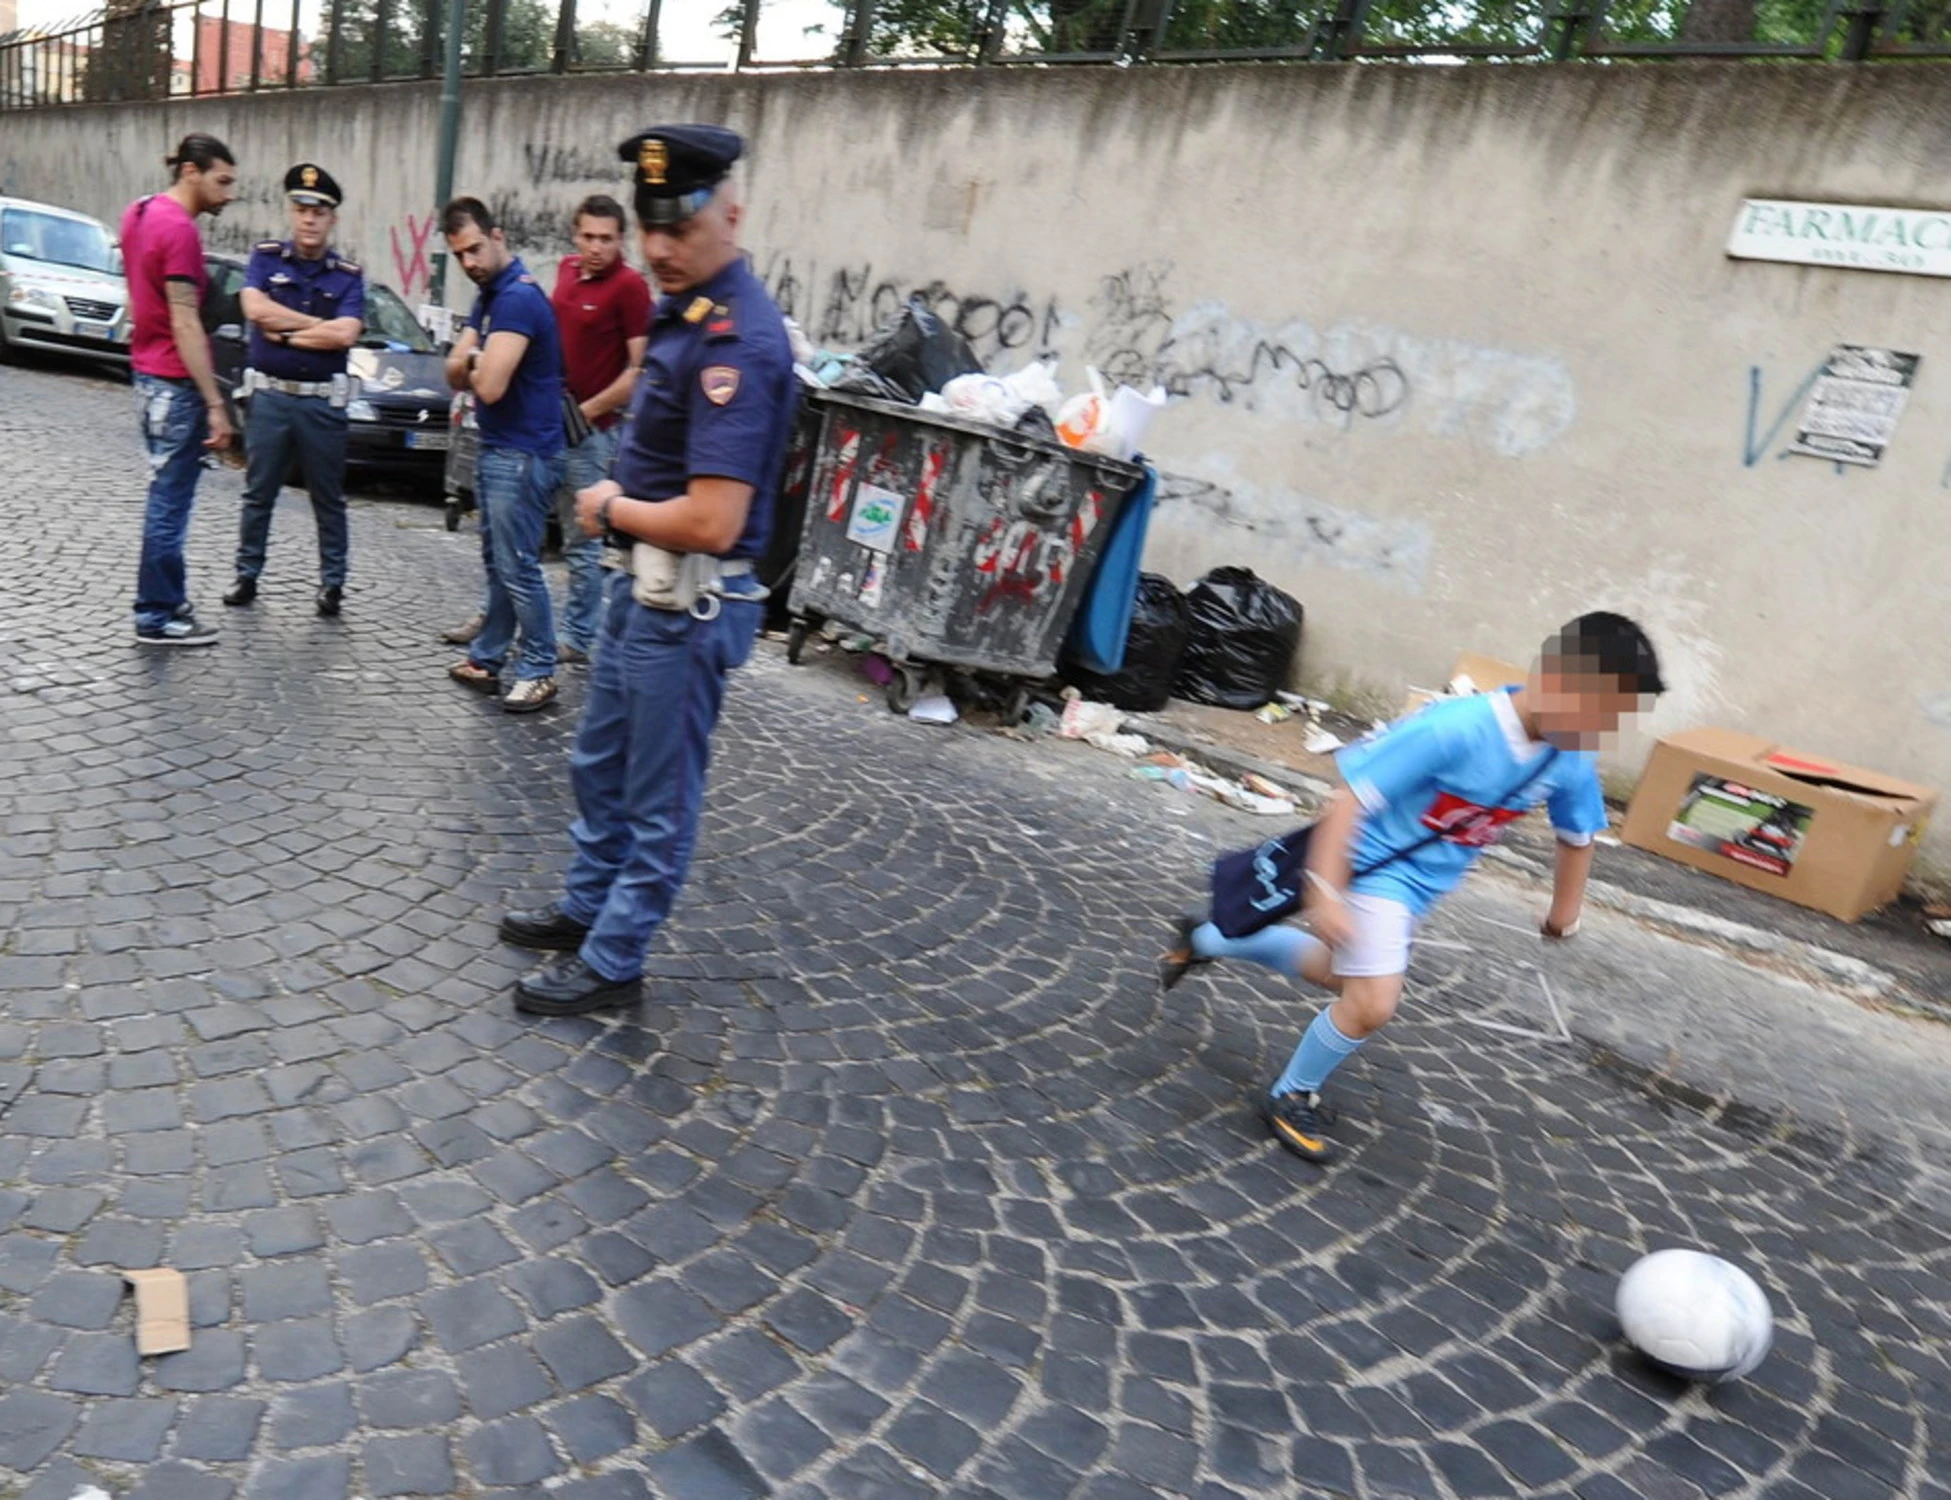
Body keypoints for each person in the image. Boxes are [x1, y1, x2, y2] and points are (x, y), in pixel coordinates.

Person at [1161, 612, 1665, 1163]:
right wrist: (1326, 891)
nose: (1597, 729)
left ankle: (1207, 938)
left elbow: (1577, 835)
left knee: (1340, 976)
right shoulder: (1456, 727)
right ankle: (1290, 1093)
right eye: (1593, 710)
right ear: (1552, 675)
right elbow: (1348, 800)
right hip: (1370, 868)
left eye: (1610, 719)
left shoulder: (1571, 755)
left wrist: (1562, 914)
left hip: (1420, 888)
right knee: (1373, 1002)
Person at [497, 124, 797, 1015]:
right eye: (648, 226)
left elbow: (715, 517)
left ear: (732, 214)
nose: (658, 248)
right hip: (643, 585)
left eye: (681, 227)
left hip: (690, 598)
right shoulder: (685, 308)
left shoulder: (739, 343)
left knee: (657, 793)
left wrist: (609, 508)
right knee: (600, 762)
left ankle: (615, 960)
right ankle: (588, 909)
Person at [222, 164, 366, 618]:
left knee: (327, 498)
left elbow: (345, 335)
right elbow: (253, 308)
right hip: (272, 398)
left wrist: (283, 331)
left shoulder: (348, 275)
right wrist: (315, 326)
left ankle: (332, 585)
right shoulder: (266, 259)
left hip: (322, 401)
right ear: (291, 212)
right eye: (301, 208)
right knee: (258, 491)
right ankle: (247, 575)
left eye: (319, 211)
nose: (309, 218)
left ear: (332, 219)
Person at [441, 197, 564, 713]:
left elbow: (487, 386)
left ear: (498, 235)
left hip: (524, 453)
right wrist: (474, 358)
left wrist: (471, 359)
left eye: (474, 249)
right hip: (500, 448)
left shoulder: (515, 298)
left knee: (518, 567)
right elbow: (452, 371)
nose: (468, 262)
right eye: (459, 255)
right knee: (499, 564)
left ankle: (540, 667)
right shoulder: (489, 294)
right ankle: (488, 657)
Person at [122, 133, 238, 646]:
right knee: (169, 505)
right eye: (222, 181)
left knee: (162, 498)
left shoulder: (140, 212)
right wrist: (215, 404)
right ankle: (157, 614)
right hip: (174, 381)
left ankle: (166, 601)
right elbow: (186, 321)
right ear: (191, 172)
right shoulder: (180, 232)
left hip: (147, 373)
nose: (229, 192)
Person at [550, 194, 651, 663]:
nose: (596, 247)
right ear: (575, 235)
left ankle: (578, 636)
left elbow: (639, 370)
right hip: (547, 421)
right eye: (588, 236)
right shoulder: (566, 271)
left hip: (590, 433)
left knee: (582, 538)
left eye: (606, 239)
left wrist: (587, 412)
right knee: (522, 527)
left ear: (621, 240)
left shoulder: (630, 287)